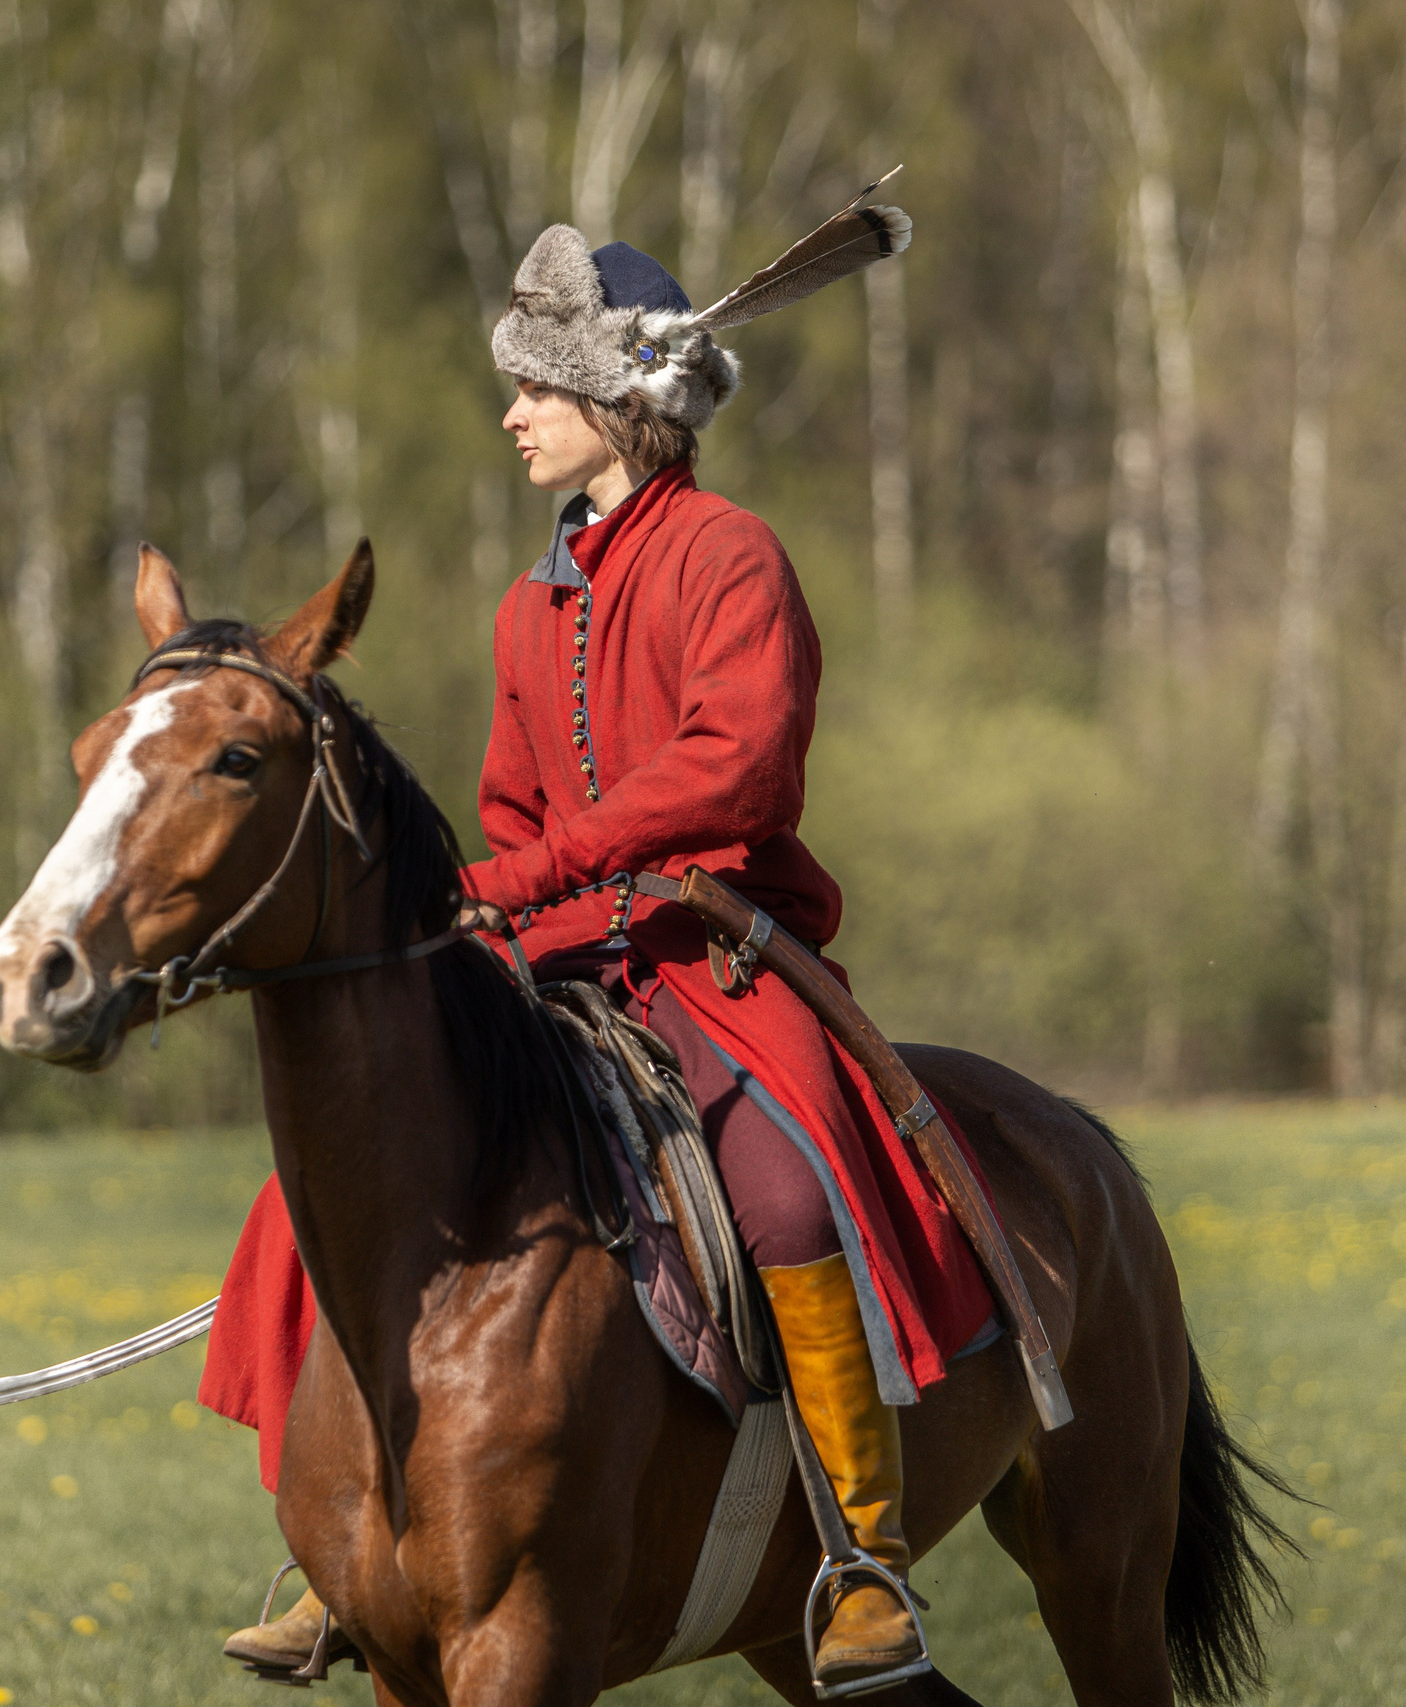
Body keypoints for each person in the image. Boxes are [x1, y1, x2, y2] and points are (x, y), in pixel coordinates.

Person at [209, 209, 995, 1693]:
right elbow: (509, 803)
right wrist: (503, 901)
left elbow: (740, 771)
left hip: (713, 955)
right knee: (316, 1184)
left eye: (534, 389)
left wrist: (547, 868)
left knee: (783, 1176)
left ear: (618, 402)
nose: (509, 415)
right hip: (555, 959)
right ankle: (334, 1543)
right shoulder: (529, 602)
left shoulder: (732, 556)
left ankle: (860, 1562)